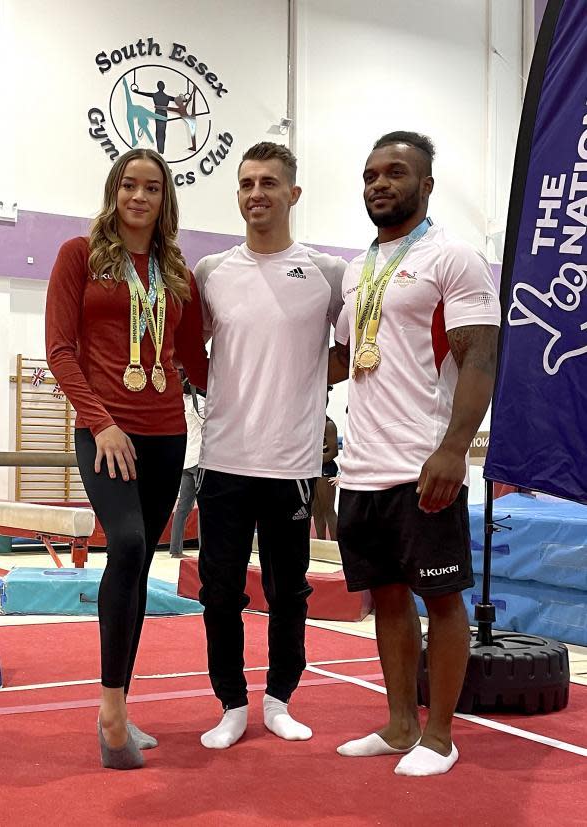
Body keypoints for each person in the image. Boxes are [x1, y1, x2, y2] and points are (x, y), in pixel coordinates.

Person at [329, 131, 500, 776]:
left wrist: (454, 450)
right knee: (389, 598)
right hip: (363, 465)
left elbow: (480, 355)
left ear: (426, 184)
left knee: (443, 599)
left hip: (423, 462)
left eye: (396, 173)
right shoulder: (358, 269)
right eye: (371, 174)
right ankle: (399, 724)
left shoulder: (454, 258)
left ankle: (439, 737)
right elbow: (347, 359)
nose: (380, 183)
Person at [45, 147, 208, 770]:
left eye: (152, 189)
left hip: (167, 433)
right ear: (114, 191)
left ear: (166, 200)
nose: (139, 197)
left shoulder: (176, 272)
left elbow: (195, 360)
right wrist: (101, 422)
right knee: (133, 545)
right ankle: (110, 708)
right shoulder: (78, 256)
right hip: (107, 431)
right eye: (129, 185)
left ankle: (123, 702)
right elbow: (61, 350)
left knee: (136, 571)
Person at [194, 142, 346, 749]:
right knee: (219, 591)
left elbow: (350, 353)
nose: (256, 193)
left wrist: (304, 383)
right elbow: (187, 354)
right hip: (225, 458)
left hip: (292, 462)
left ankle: (280, 697)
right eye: (246, 183)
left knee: (290, 589)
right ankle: (231, 703)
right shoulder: (210, 273)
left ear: (293, 194)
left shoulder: (327, 274)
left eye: (269, 183)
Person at [169, 373, 204, 557]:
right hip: (199, 460)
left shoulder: (179, 403)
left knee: (183, 507)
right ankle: (205, 550)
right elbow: (208, 423)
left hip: (186, 459)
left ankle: (175, 550)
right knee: (204, 507)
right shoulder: (198, 402)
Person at [311, 390, 339, 540]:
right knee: (316, 509)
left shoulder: (329, 425)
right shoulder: (312, 423)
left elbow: (333, 452)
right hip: (314, 469)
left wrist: (314, 460)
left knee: (328, 509)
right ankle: (320, 542)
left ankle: (335, 544)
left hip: (326, 469)